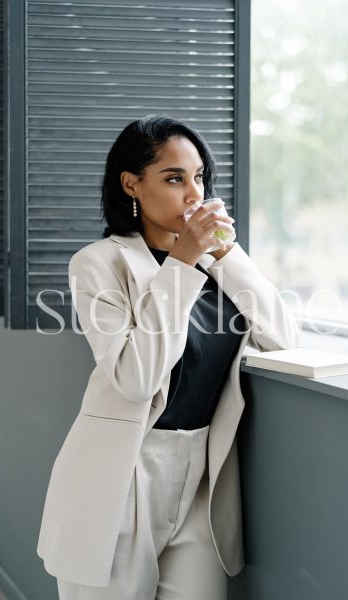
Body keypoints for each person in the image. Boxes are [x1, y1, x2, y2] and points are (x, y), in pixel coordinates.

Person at [37, 115, 299, 599]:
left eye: (198, 177)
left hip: (200, 477)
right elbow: (137, 378)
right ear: (131, 184)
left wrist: (226, 254)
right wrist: (181, 264)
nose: (193, 194)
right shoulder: (98, 264)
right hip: (120, 476)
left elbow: (282, 336)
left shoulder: (215, 266)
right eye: (174, 179)